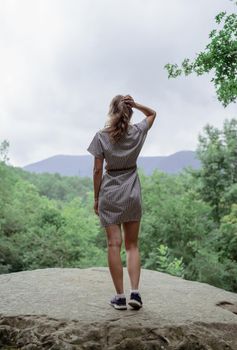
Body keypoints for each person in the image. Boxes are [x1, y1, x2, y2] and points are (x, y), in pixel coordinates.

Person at [87, 94, 157, 310]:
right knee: (132, 245)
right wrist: (135, 104)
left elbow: (98, 169)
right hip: (132, 192)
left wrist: (97, 197)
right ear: (129, 112)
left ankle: (119, 297)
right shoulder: (136, 132)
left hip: (110, 193)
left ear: (111, 111)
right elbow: (153, 113)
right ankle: (135, 293)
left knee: (113, 244)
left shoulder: (101, 136)